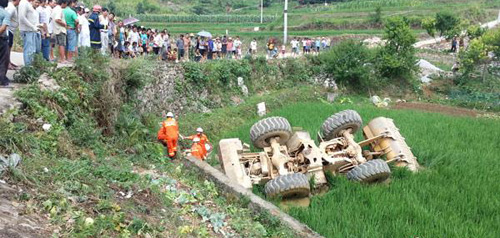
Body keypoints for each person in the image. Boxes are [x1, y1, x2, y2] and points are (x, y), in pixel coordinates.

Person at [19, 0, 39, 66]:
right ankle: (28, 68)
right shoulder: (23, 2)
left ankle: (30, 66)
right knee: (28, 50)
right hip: (27, 30)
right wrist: (32, 26)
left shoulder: (28, 3)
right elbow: (22, 17)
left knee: (32, 49)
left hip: (31, 30)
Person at [6, 0, 19, 69]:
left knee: (9, 47)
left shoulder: (10, 6)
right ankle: (7, 63)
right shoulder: (12, 8)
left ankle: (9, 61)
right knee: (8, 47)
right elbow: (7, 16)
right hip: (9, 30)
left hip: (10, 29)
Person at [0, 0, 10, 86]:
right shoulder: (5, 13)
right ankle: (2, 80)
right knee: (3, 59)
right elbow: (3, 28)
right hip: (1, 39)